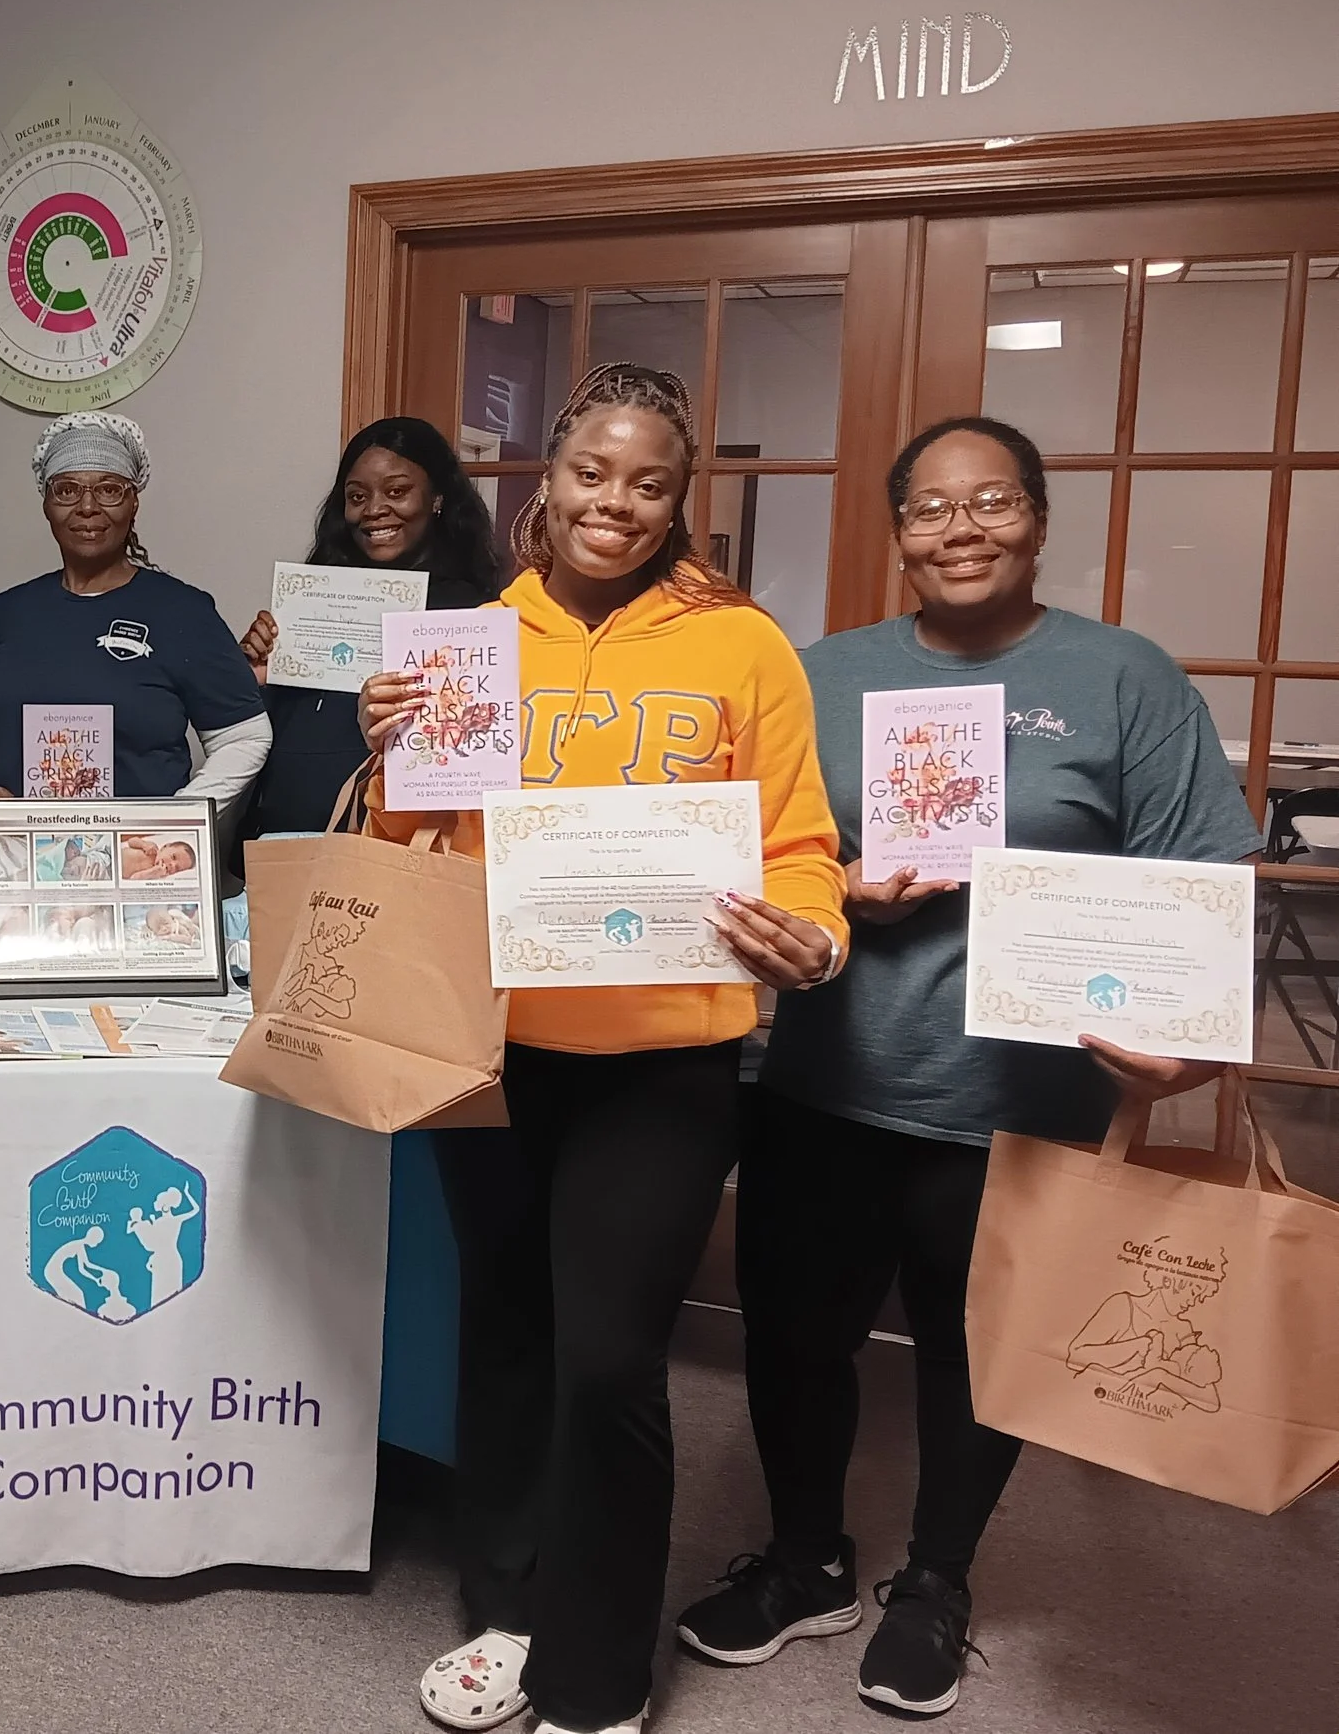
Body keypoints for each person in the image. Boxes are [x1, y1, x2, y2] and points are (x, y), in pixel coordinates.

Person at [674, 416, 1259, 1719]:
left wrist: (1187, 1047)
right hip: (826, 1079)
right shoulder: (821, 673)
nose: (961, 528)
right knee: (796, 1336)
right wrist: (840, 889)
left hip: (1023, 1099)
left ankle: (937, 1580)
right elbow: (746, 847)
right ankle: (804, 1559)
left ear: (1038, 520)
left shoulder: (1124, 678)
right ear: (899, 535)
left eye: (992, 500)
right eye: (931, 508)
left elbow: (1202, 877)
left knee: (976, 1352)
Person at [356, 363, 847, 1734]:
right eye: (590, 473)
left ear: (678, 499)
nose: (613, 503)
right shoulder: (468, 640)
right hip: (489, 1045)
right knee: (507, 1328)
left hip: (662, 1059)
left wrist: (814, 932)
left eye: (647, 483)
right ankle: (510, 1607)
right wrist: (387, 756)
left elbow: (800, 843)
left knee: (612, 1358)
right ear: (547, 480)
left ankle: (595, 1671)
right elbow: (412, 847)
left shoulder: (743, 647)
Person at [0, 413, 269, 805]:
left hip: (142, 845)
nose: (87, 506)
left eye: (109, 490)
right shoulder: (6, 613)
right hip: (16, 842)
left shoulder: (184, 612)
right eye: (67, 490)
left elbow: (244, 736)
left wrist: (176, 823)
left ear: (134, 502)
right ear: (47, 503)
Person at [237, 416, 503, 846]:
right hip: (284, 840)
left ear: (437, 497)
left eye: (396, 491)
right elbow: (269, 737)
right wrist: (258, 678)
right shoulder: (315, 600)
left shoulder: (472, 614)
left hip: (394, 846)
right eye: (357, 496)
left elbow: (467, 755)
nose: (374, 509)